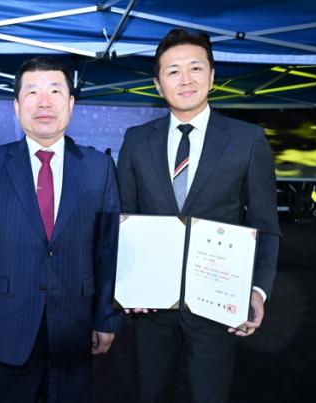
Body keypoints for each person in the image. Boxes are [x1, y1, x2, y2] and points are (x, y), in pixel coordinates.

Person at [116, 28, 281, 403]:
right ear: (158, 85)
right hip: (151, 303)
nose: (185, 79)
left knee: (210, 395)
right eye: (173, 71)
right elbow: (123, 219)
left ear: (212, 76)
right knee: (151, 394)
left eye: (195, 67)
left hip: (218, 301)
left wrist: (257, 290)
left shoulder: (247, 140)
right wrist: (125, 284)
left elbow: (266, 226)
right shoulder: (135, 140)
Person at [0, 56, 122, 403]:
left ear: (71, 103)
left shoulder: (99, 167)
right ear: (17, 106)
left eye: (55, 91)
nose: (44, 102)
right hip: (7, 324)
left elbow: (107, 251)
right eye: (32, 92)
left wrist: (105, 318)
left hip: (74, 329)